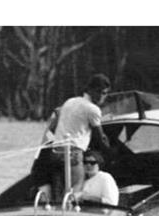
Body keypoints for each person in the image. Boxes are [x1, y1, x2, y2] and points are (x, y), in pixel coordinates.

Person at [32, 73, 111, 202]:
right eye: (99, 92)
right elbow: (100, 138)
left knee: (59, 189)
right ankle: (69, 214)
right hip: (73, 153)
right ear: (89, 90)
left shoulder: (70, 102)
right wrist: (110, 151)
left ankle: (55, 214)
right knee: (77, 186)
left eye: (104, 93)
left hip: (55, 152)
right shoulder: (93, 109)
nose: (102, 96)